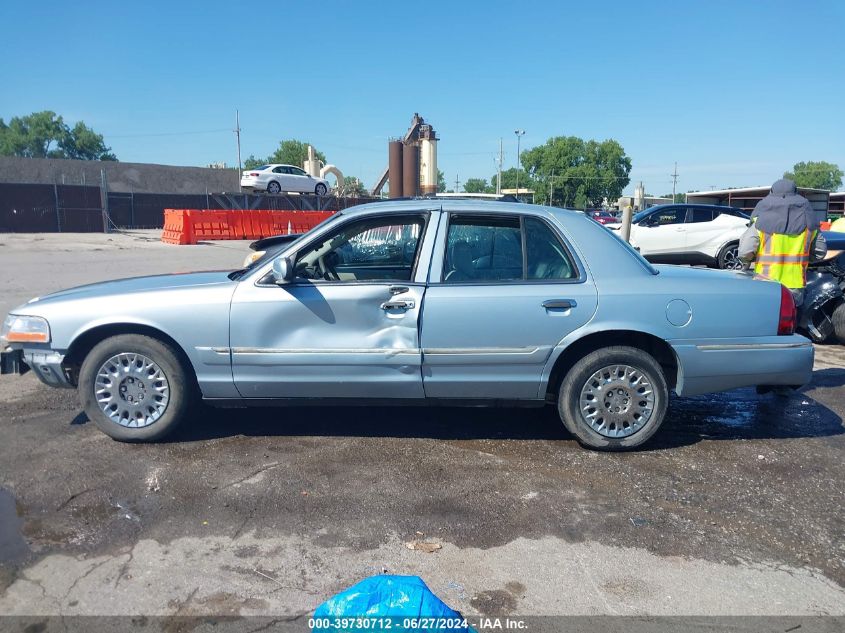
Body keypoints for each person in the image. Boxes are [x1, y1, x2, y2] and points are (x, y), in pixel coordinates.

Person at [738, 178, 827, 306]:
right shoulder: (809, 224)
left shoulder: (759, 222)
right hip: (795, 286)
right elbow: (820, 252)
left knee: (765, 321)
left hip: (764, 284)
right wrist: (803, 260)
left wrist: (749, 261)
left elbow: (744, 252)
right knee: (791, 322)